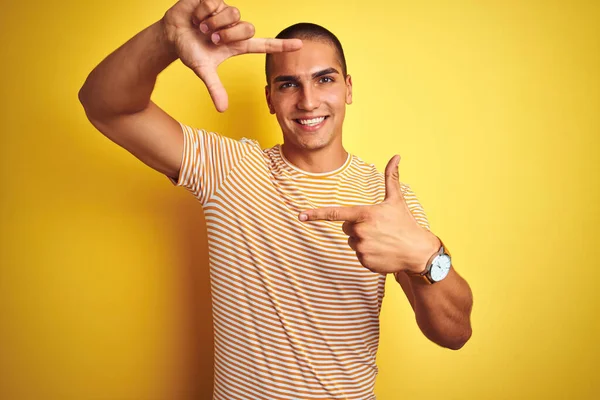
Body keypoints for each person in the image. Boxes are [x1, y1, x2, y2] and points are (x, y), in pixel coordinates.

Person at [79, 0, 474, 398]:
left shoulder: (387, 199)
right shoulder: (227, 168)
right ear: (269, 98)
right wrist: (164, 38)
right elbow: (106, 106)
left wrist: (426, 255)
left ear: (348, 88)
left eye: (325, 79)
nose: (307, 101)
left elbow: (455, 333)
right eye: (289, 84)